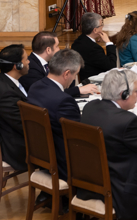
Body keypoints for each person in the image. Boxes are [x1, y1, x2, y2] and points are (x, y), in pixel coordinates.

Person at [80, 70, 137, 220]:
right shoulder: (128, 120)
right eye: (136, 91)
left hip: (91, 181)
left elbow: (113, 132)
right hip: (123, 189)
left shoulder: (90, 107)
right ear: (124, 94)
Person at [27, 49, 84, 180]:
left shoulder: (35, 87)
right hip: (63, 164)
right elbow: (78, 137)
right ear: (67, 73)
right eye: (75, 74)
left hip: (41, 155)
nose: (74, 78)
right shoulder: (63, 101)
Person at [21, 31, 99, 97]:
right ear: (48, 50)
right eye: (57, 46)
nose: (59, 49)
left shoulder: (49, 61)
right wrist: (78, 90)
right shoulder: (30, 67)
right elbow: (48, 93)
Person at [0, 44, 31, 171]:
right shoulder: (5, 93)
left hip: (16, 136)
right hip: (17, 148)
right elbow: (24, 125)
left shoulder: (5, 80)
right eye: (26, 59)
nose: (29, 62)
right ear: (17, 66)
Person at [71, 12, 118, 82]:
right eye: (101, 25)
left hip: (84, 80)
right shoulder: (94, 49)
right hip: (96, 83)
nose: (102, 27)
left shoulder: (76, 42)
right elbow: (111, 66)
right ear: (95, 30)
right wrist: (108, 43)